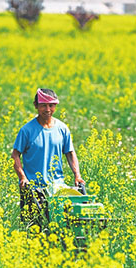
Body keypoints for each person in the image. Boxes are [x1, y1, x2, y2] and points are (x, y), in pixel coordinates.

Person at [11, 88, 85, 222]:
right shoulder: (27, 130)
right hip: (33, 188)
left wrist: (77, 175)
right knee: (34, 228)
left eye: (51, 105)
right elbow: (15, 155)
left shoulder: (62, 128)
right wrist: (22, 177)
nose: (47, 109)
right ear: (36, 106)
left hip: (57, 187)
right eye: (43, 105)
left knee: (62, 225)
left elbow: (70, 152)